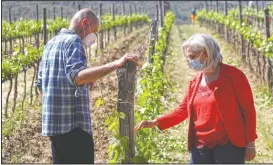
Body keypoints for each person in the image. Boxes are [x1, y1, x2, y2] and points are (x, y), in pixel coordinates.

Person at [35, 8, 138, 164]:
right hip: (74, 128)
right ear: (85, 24)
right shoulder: (73, 41)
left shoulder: (50, 44)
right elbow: (77, 76)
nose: (94, 37)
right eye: (94, 31)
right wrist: (115, 64)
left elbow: (41, 85)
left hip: (54, 128)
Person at [134, 34, 257, 164]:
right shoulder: (195, 81)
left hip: (228, 145)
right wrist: (157, 122)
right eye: (188, 57)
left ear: (206, 53)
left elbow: (248, 110)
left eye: (192, 57)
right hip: (199, 145)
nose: (190, 61)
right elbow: (182, 111)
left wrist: (250, 143)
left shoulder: (234, 76)